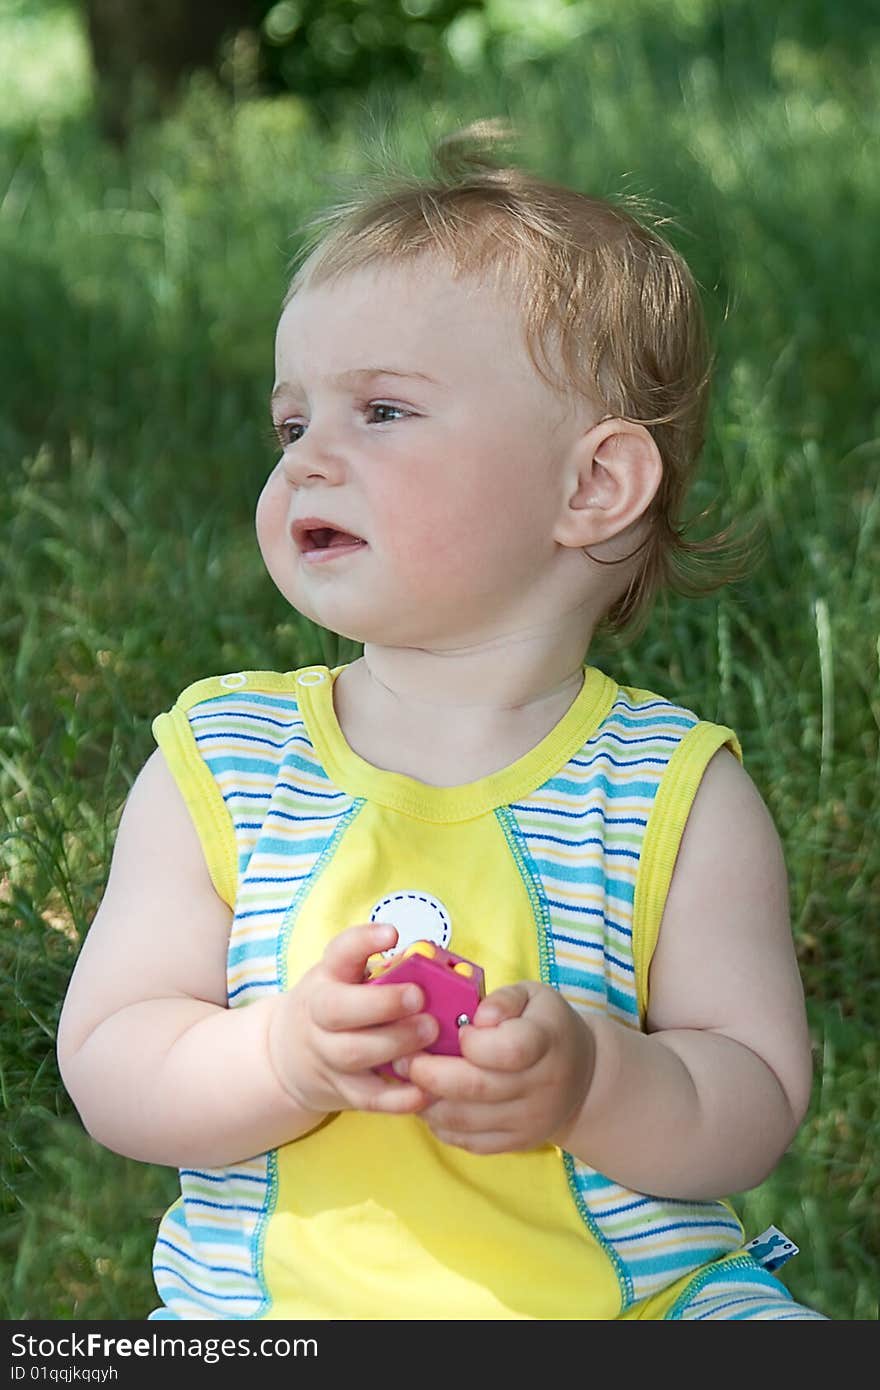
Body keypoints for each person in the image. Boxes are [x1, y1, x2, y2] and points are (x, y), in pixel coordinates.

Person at [56, 120, 828, 1320]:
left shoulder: (672, 793)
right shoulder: (224, 765)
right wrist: (280, 1057)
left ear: (592, 487)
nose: (309, 457)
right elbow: (112, 1060)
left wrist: (596, 1079)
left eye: (383, 413)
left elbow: (752, 1101)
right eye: (292, 422)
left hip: (631, 1308)